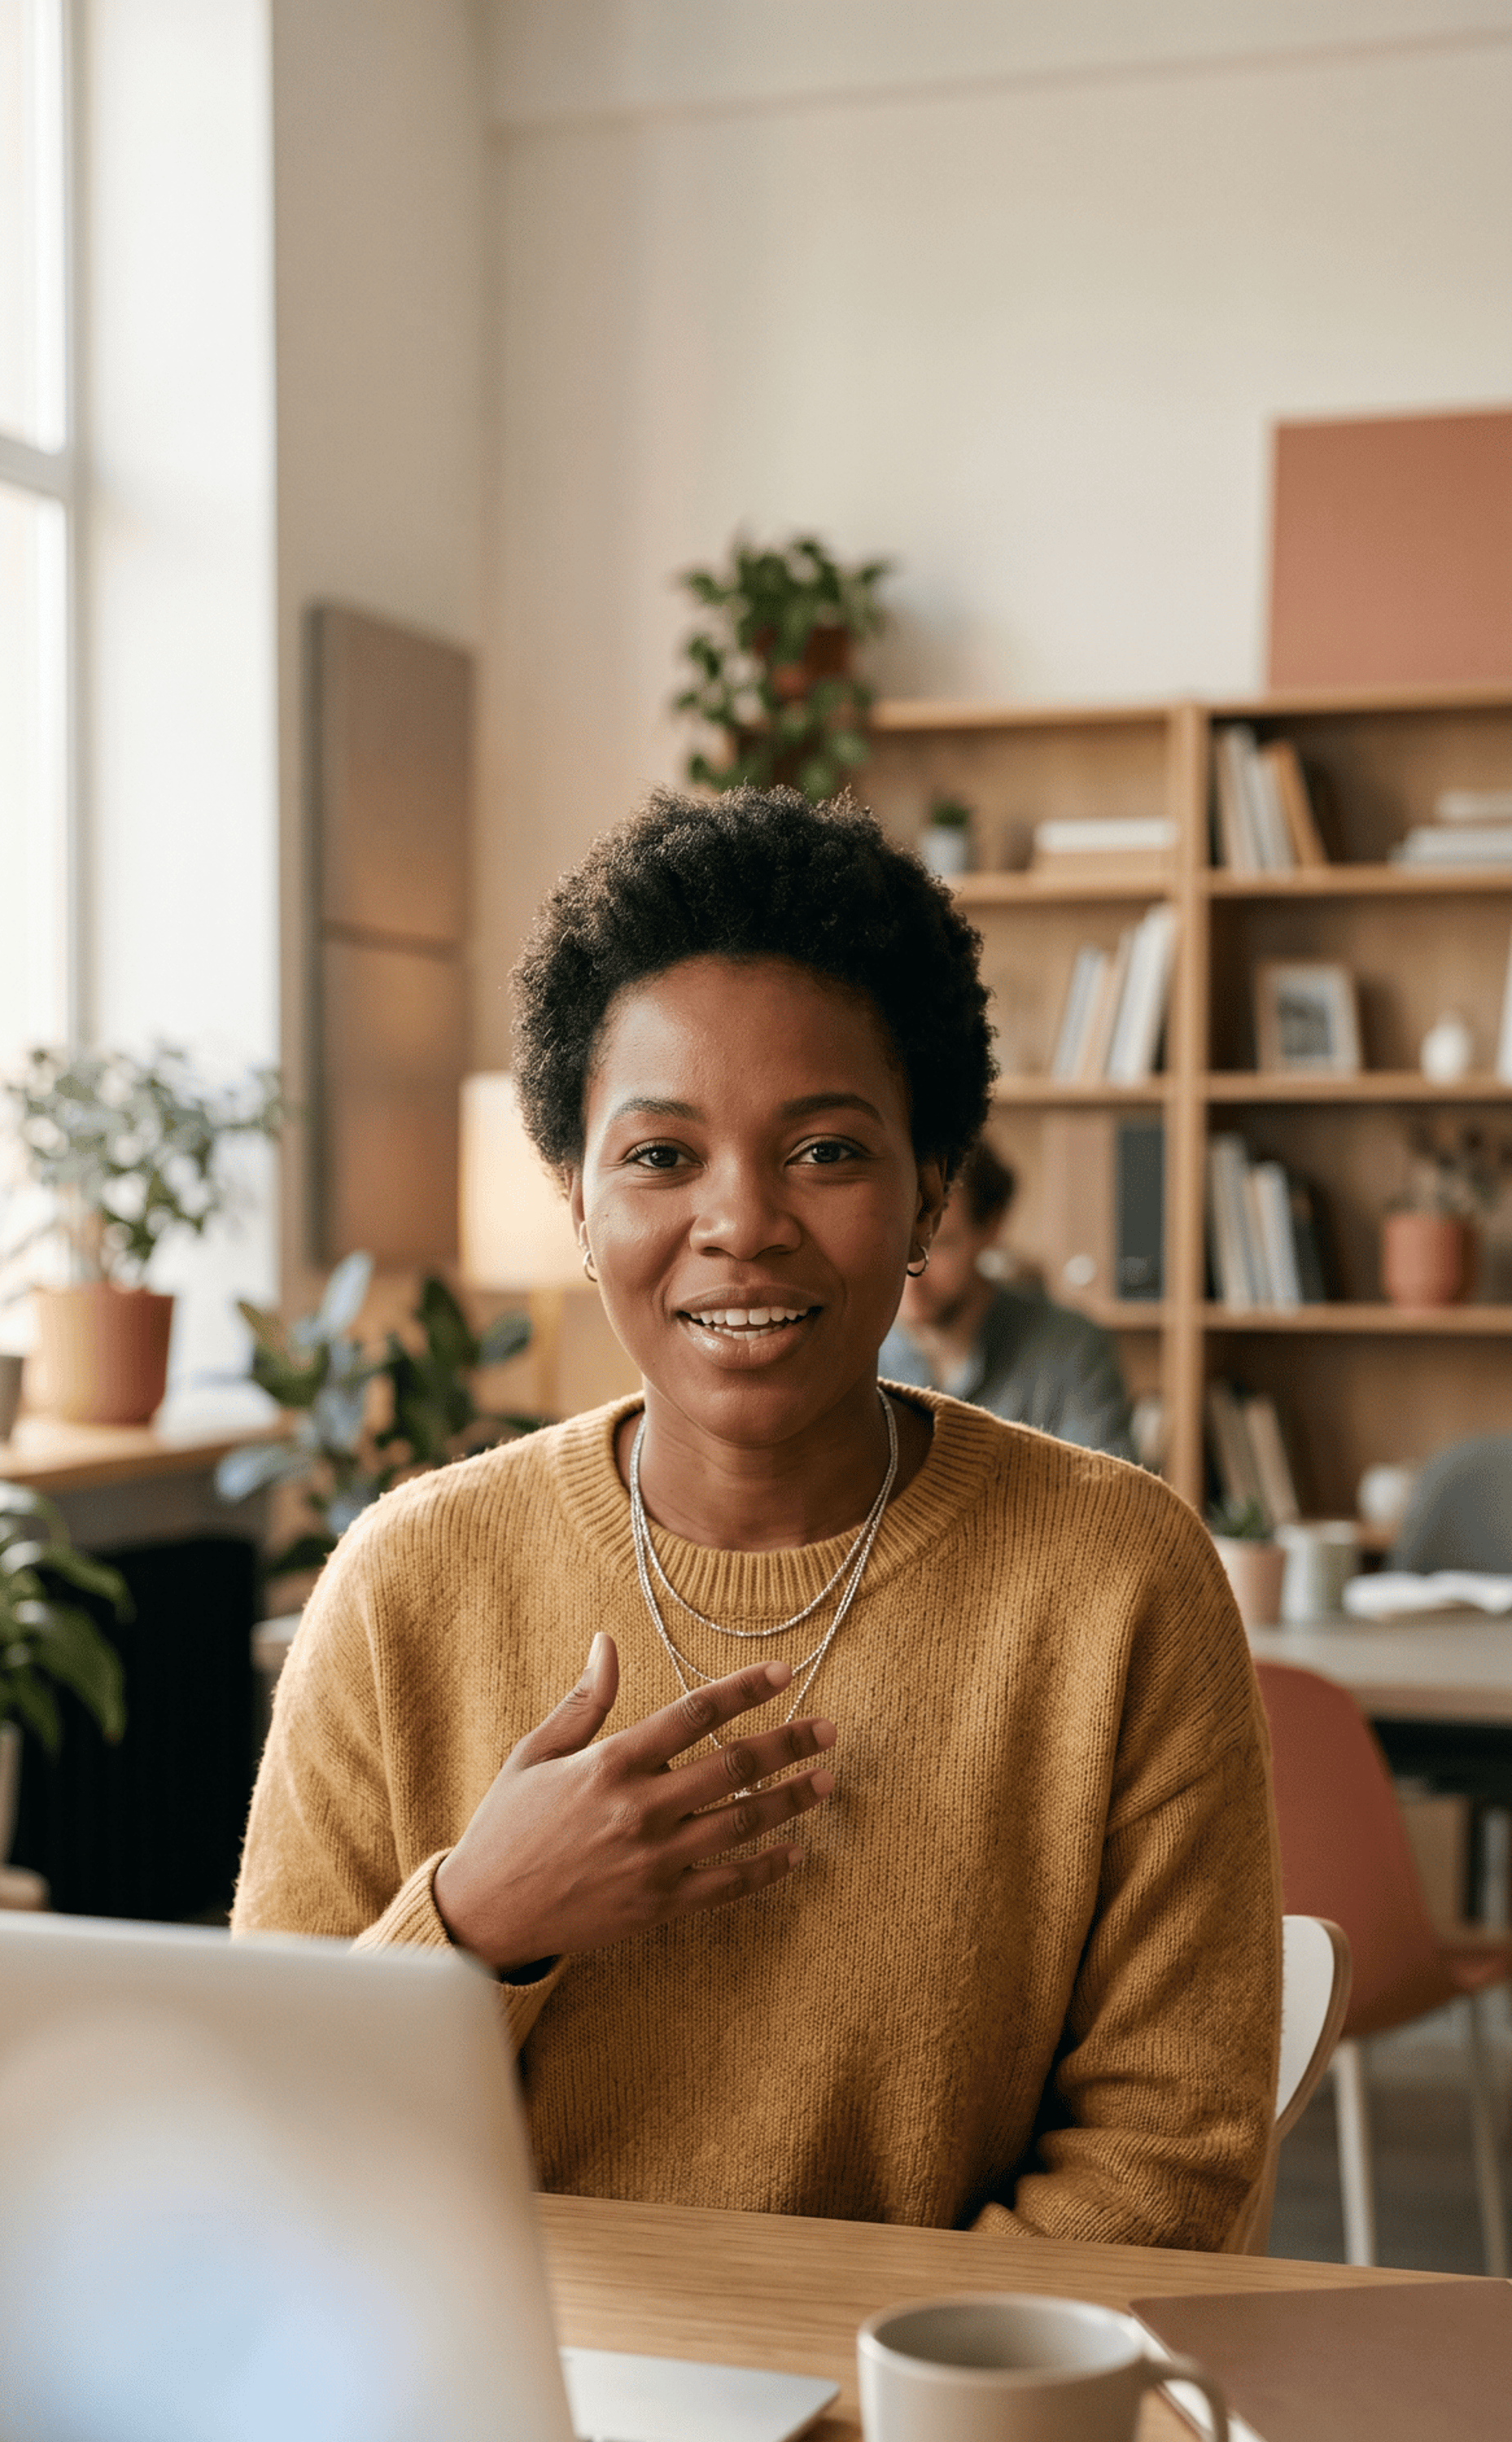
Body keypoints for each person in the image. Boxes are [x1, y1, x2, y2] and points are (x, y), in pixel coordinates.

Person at [235, 786, 1278, 2247]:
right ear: (578, 1203)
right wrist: (476, 1922)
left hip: (938, 2420)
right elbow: (274, 2139)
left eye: (826, 1151)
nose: (743, 1220)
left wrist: (892, 2399)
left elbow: (1174, 2148)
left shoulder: (1118, 1578)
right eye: (662, 1156)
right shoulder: (408, 1579)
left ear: (931, 1194)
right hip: (510, 2406)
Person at [880, 1137, 1137, 1456]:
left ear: (992, 1228)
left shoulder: (1071, 1347)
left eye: (938, 1245)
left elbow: (1108, 1497)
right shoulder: (853, 1352)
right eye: (893, 1242)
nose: (911, 1272)